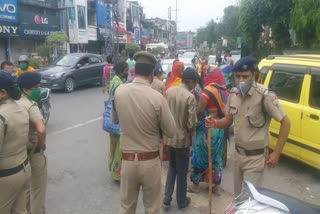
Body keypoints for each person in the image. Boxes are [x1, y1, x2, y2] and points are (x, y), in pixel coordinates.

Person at [205, 56, 291, 196]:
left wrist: (276, 152)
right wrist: (215, 123)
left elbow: (286, 122)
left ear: (254, 75)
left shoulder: (264, 96)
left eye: (245, 76)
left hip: (255, 159)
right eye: (237, 76)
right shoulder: (234, 94)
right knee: (238, 198)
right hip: (238, 156)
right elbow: (228, 120)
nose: (240, 81)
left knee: (248, 200)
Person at [113, 51, 176, 214]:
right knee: (152, 208)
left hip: (127, 161)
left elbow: (115, 120)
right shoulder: (157, 98)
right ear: (152, 74)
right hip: (150, 162)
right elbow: (171, 131)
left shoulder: (119, 92)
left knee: (126, 207)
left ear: (135, 70)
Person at [163, 67, 198, 209]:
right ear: (190, 81)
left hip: (169, 138)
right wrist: (191, 130)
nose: (195, 85)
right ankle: (182, 201)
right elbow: (191, 124)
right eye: (195, 83)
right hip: (182, 140)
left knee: (172, 168)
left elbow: (163, 115)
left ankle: (167, 197)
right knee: (182, 172)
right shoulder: (190, 97)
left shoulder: (169, 91)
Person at [189, 66, 228, 194]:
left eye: (207, 74)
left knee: (200, 155)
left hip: (207, 127)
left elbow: (200, 109)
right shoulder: (223, 90)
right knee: (216, 156)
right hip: (219, 127)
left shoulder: (208, 90)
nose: (205, 76)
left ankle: (195, 185)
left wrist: (194, 120)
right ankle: (216, 186)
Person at [0, 71, 31, 213]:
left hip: (6, 178)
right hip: (23, 169)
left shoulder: (1, 116)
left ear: (2, 93)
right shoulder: (20, 109)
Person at [16, 72, 47, 214]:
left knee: (26, 188)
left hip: (20, 151)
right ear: (26, 89)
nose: (39, 89)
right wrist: (40, 145)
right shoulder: (30, 105)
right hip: (33, 150)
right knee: (38, 188)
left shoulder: (15, 102)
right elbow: (41, 129)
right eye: (36, 86)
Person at [108, 61, 129, 181]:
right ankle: (117, 174)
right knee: (119, 150)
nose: (127, 73)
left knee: (113, 147)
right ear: (122, 70)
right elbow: (118, 103)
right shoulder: (119, 83)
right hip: (117, 120)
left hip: (112, 118)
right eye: (126, 70)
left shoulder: (114, 80)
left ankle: (112, 168)